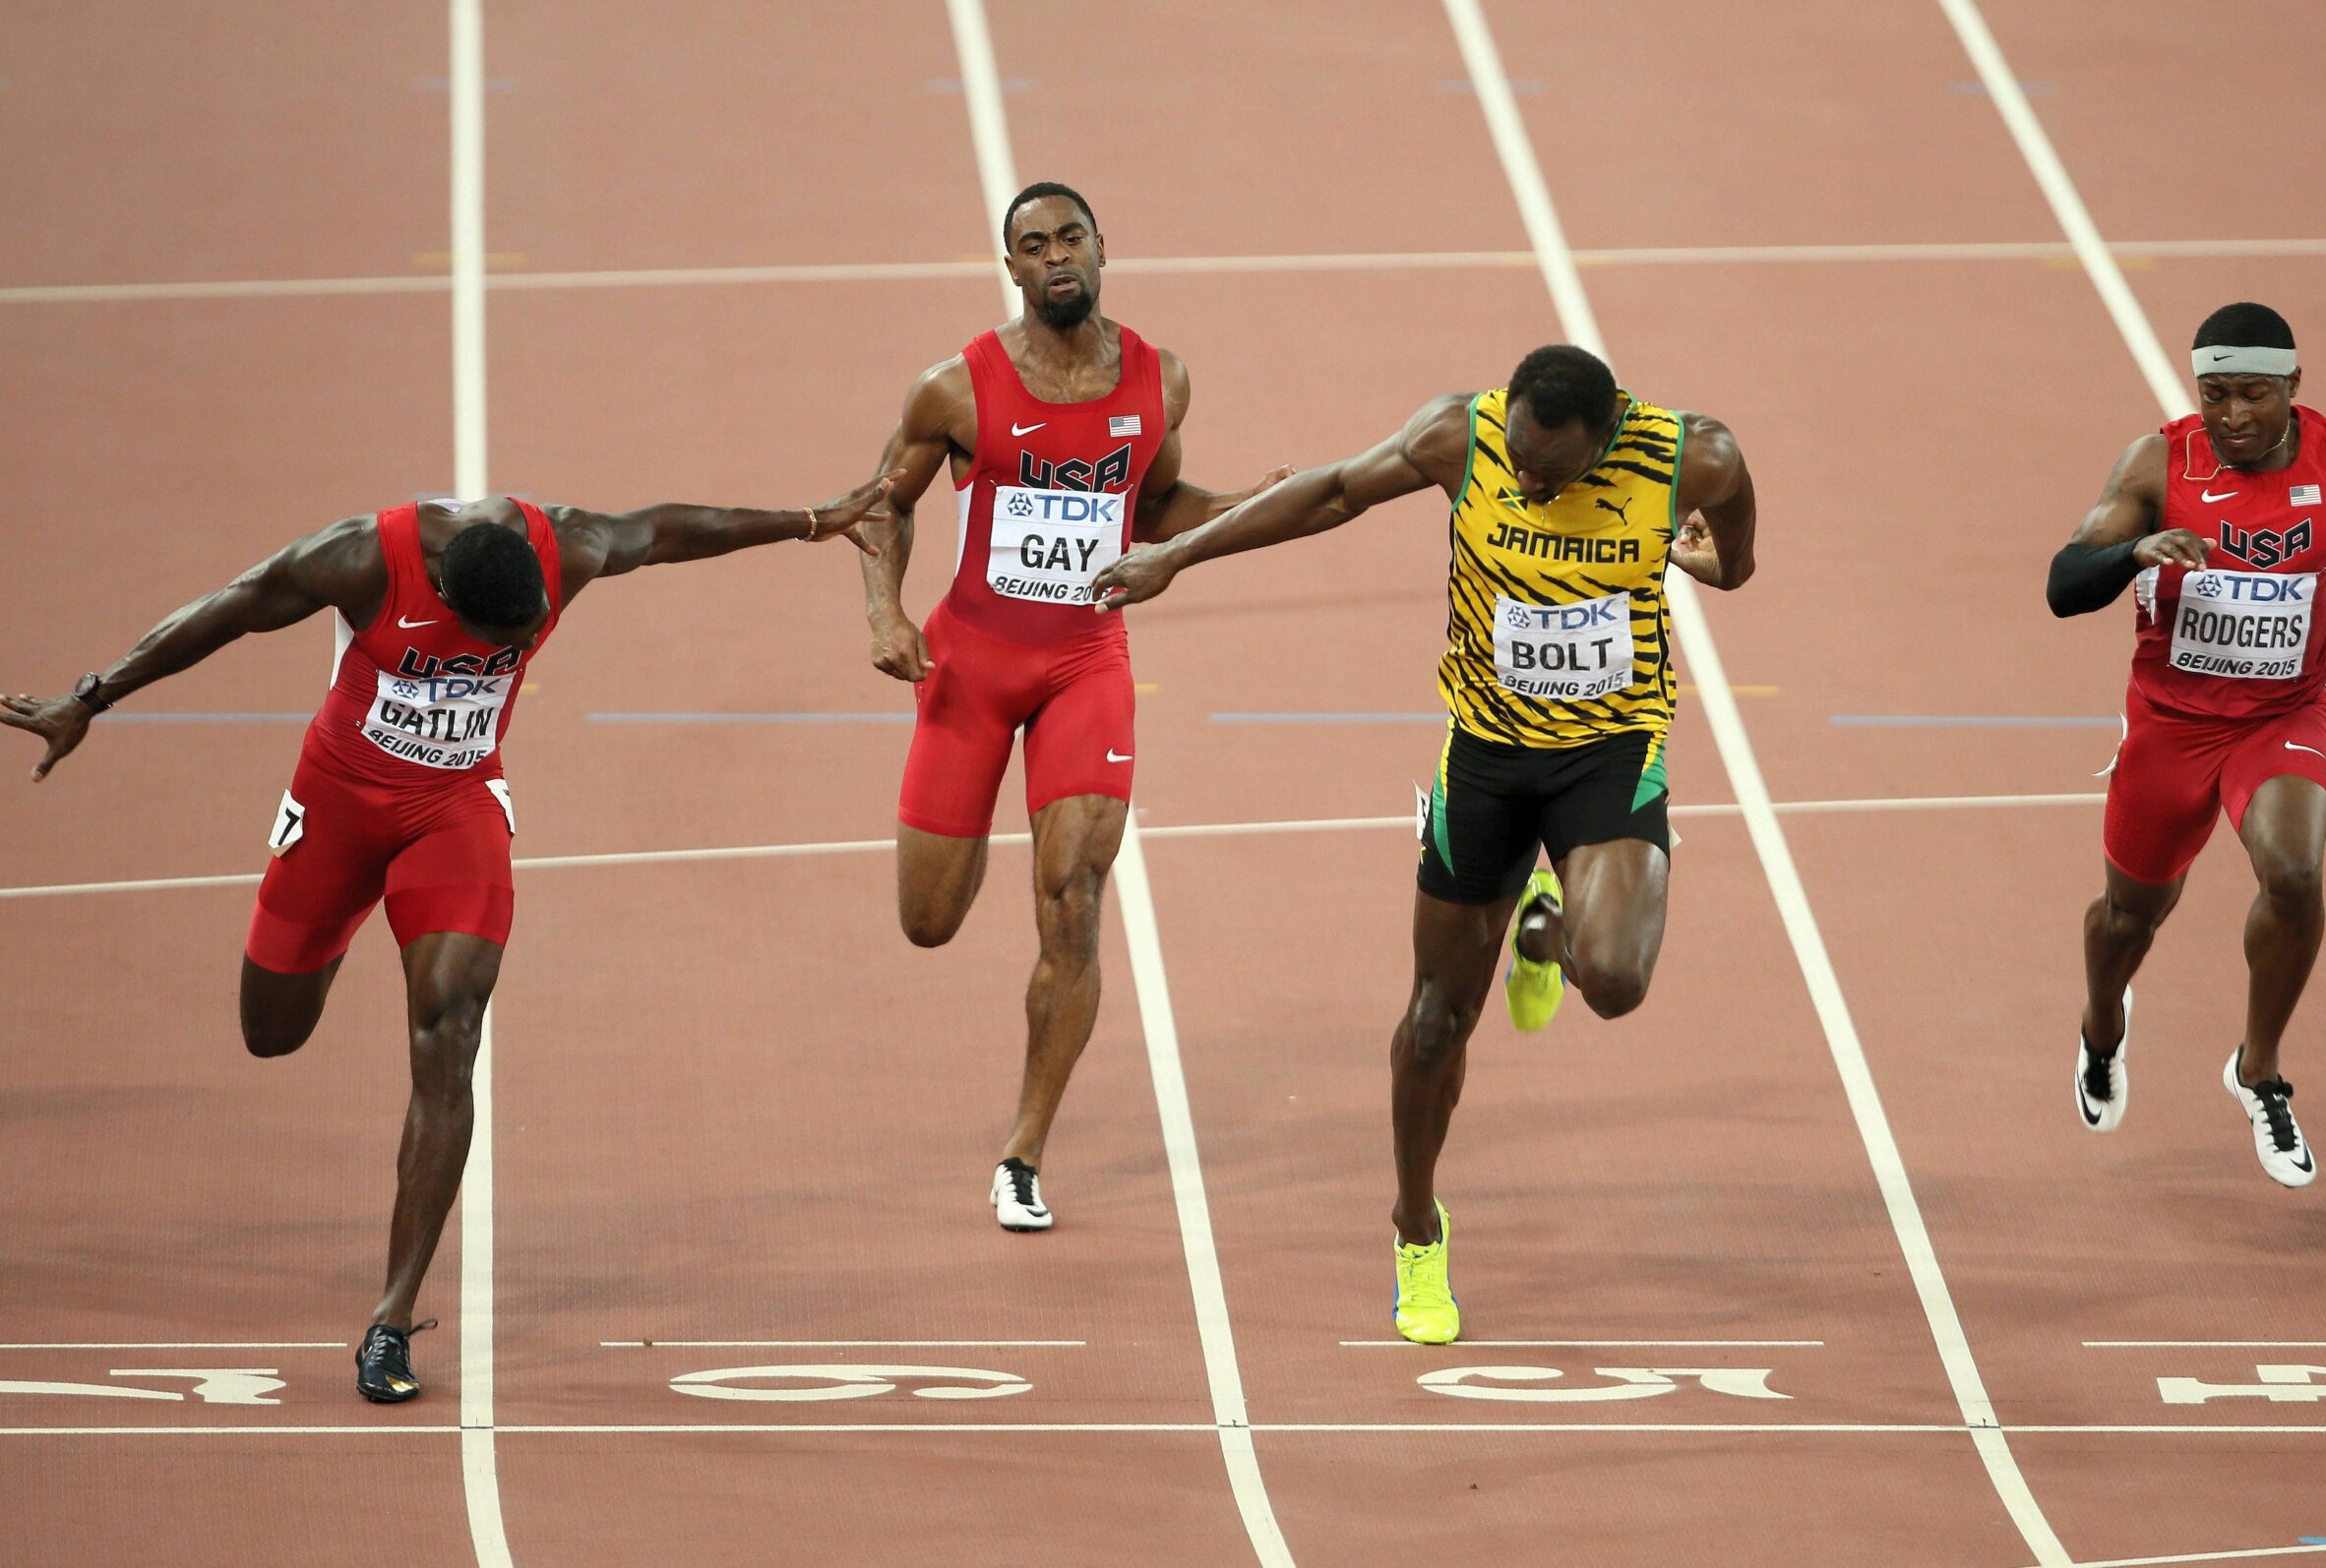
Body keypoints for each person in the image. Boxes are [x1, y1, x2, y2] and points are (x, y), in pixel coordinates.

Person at [1, 476, 899, 1400]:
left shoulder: (569, 550)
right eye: (498, 645)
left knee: (449, 1028)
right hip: (340, 804)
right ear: (450, 601)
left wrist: (804, 523)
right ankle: (339, 919)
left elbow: (671, 531)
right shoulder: (357, 558)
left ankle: (390, 1320)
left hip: (456, 807)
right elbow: (229, 609)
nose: (517, 652)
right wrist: (93, 696)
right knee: (271, 1032)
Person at [1089, 343, 1757, 1344]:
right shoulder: (1465, 433)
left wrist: (1707, 560)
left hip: (1607, 755)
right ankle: (1415, 1224)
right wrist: (1176, 555)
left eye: (1550, 472)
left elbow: (1736, 560)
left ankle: (1542, 932)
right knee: (1438, 1020)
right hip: (1484, 758)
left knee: (1614, 980)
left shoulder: (1690, 458)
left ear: (1607, 430)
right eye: (1520, 465)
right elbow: (1333, 493)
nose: (1527, 484)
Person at [851, 181, 1284, 1234]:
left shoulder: (1159, 379)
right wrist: (885, 615)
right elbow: (882, 506)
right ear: (1011, 268)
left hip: (1086, 662)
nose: (1055, 256)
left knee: (1075, 899)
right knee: (928, 920)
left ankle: (1023, 1153)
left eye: (1070, 237)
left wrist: (1242, 505)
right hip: (972, 662)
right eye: (1032, 244)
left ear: (1101, 247)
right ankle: (987, 805)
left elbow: (1152, 503)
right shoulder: (955, 387)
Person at [2047, 301, 2326, 1187]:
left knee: (2296, 872)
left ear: (2293, 388)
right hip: (2171, 724)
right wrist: (2134, 555)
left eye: (2252, 397)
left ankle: (2259, 1071)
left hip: (2285, 713)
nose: (2232, 416)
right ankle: (2099, 1027)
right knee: (2129, 919)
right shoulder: (2158, 464)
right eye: (2214, 396)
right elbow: (2062, 585)